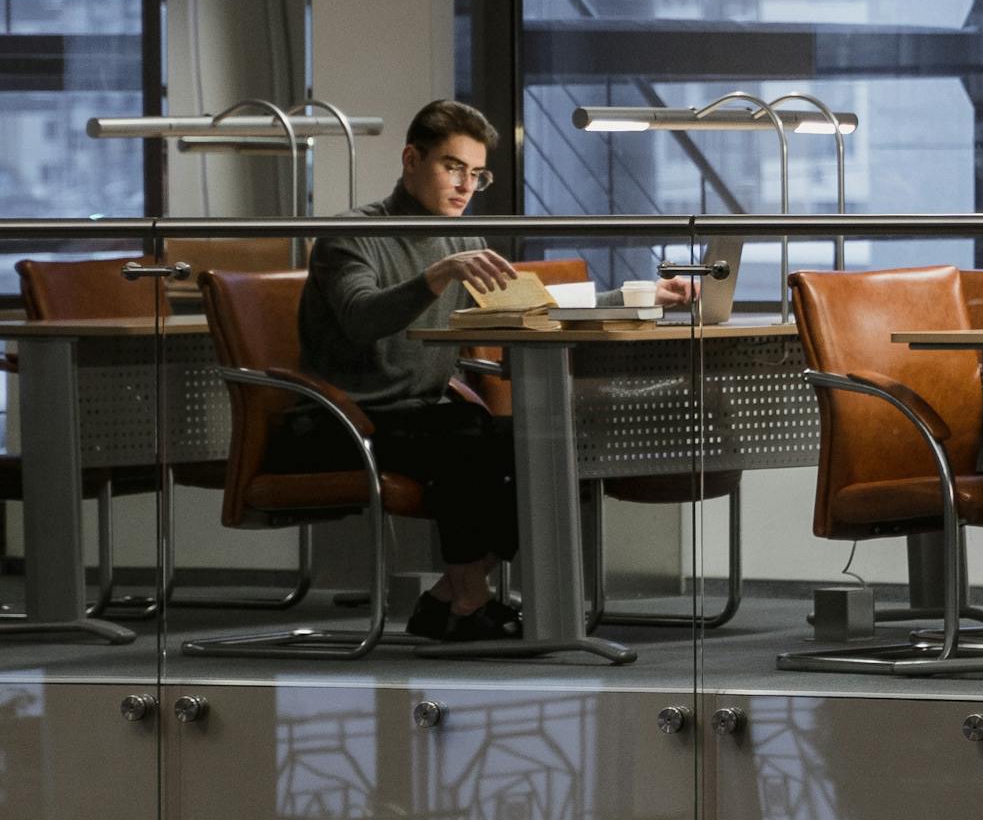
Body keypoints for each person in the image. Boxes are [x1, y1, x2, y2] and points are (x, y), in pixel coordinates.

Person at [276, 99, 695, 643]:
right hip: (343, 420)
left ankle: (450, 597)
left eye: (476, 173)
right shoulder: (350, 235)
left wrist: (639, 297)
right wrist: (435, 274)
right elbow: (361, 318)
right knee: (466, 445)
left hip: (421, 416)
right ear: (411, 159)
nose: (466, 185)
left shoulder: (461, 239)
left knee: (548, 443)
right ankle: (470, 600)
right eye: (453, 167)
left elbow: (528, 307)